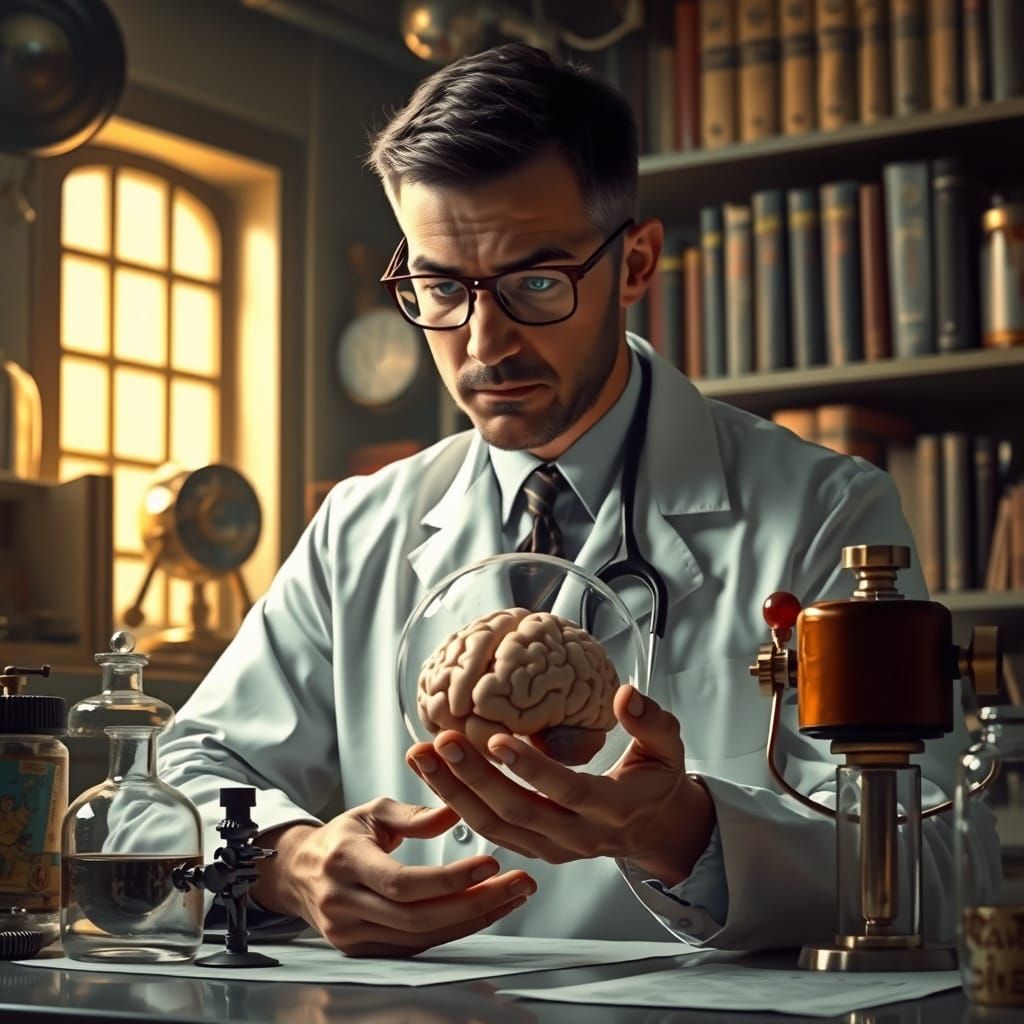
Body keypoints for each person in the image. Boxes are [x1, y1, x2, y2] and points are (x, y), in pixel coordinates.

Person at [158, 43, 990, 958]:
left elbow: (943, 863)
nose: (485, 343)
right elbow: (175, 780)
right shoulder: (362, 526)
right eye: (441, 287)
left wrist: (679, 831)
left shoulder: (826, 511)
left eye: (536, 284)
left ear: (635, 263)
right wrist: (292, 862)